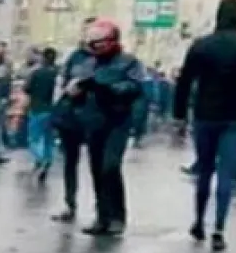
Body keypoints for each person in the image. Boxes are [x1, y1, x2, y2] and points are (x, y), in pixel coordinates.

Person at [172, 0, 236, 251]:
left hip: (205, 116)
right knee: (226, 175)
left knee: (204, 171)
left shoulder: (201, 46)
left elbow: (184, 82)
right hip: (234, 119)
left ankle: (198, 222)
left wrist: (180, 115)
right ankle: (218, 228)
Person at [66, 19, 145, 237]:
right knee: (96, 169)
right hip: (93, 121)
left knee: (110, 167)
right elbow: (73, 87)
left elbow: (135, 87)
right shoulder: (88, 64)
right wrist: (77, 91)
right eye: (93, 43)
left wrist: (107, 88)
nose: (95, 47)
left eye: (99, 42)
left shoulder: (129, 62)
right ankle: (102, 217)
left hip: (117, 122)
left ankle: (117, 217)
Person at [51, 18, 98, 223]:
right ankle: (70, 204)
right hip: (71, 117)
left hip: (96, 116)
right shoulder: (75, 57)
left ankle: (101, 210)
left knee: (98, 165)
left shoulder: (108, 59)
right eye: (86, 31)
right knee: (70, 162)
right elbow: (62, 82)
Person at [24, 47, 60, 180]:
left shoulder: (36, 73)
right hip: (54, 110)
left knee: (33, 138)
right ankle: (48, 158)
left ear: (43, 58)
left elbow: (27, 88)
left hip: (37, 108)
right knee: (49, 139)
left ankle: (40, 159)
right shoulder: (58, 73)